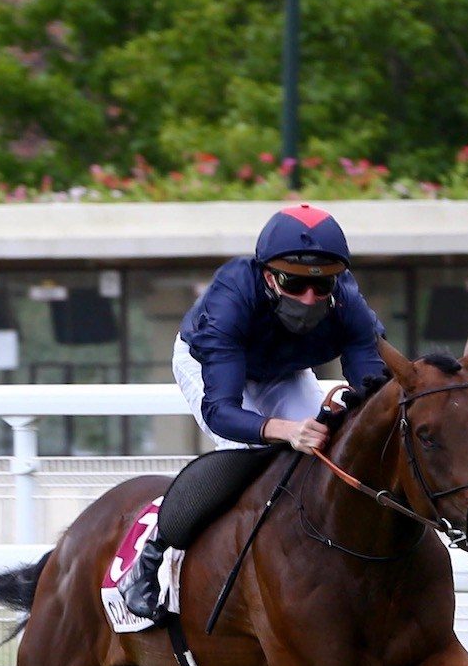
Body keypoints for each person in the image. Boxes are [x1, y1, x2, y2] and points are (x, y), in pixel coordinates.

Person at [116, 203, 388, 620]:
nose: (310, 297)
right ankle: (151, 556)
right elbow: (222, 410)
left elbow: (371, 384)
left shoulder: (347, 301)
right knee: (251, 455)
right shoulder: (232, 295)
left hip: (283, 369)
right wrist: (282, 429)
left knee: (322, 451)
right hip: (213, 366)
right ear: (266, 275)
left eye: (323, 285)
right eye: (293, 283)